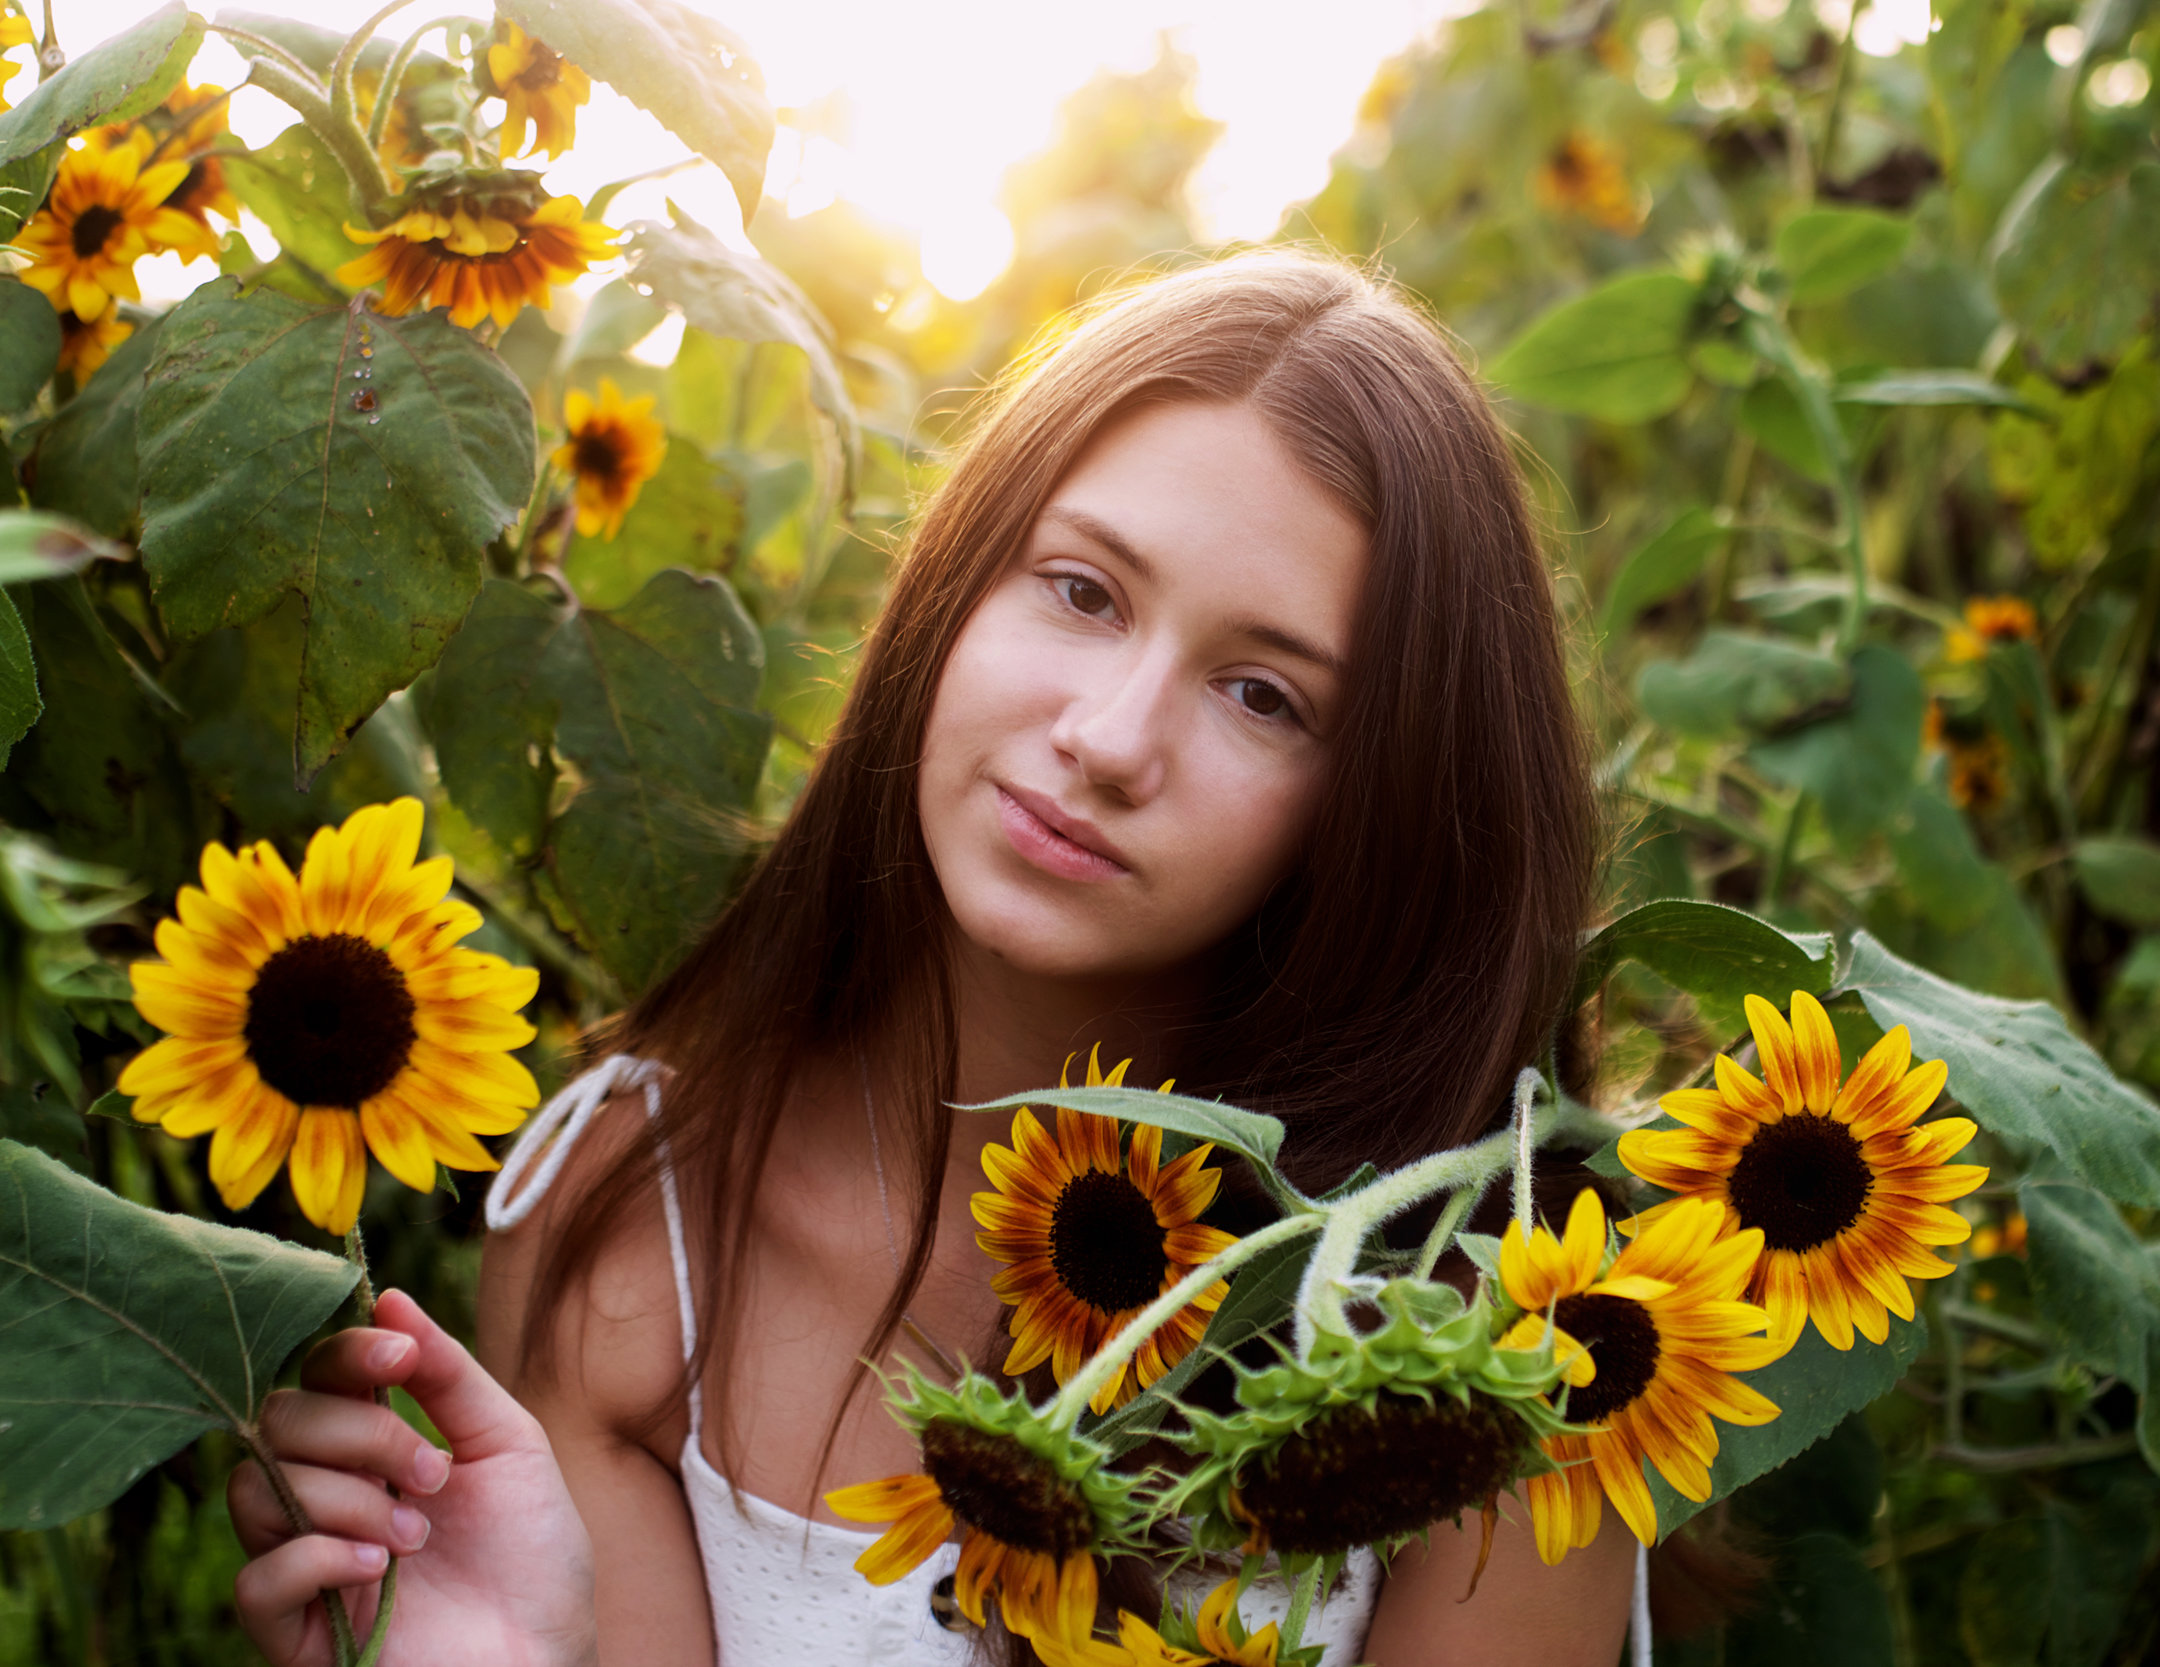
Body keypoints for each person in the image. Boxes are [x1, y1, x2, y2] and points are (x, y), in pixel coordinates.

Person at [225, 249, 1635, 1667]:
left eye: (1262, 694)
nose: (1110, 737)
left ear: (1382, 801)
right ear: (957, 585)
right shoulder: (636, 1224)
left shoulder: (1486, 1344)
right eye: (1084, 592)